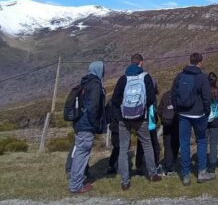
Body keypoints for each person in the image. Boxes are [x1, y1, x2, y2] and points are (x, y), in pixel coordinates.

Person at [110, 54, 162, 190]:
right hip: (141, 118)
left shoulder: (123, 79)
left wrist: (121, 114)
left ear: (130, 62)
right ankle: (153, 174)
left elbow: (115, 100)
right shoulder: (146, 77)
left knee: (123, 149)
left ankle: (125, 181)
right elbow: (151, 98)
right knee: (147, 144)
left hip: (124, 118)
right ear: (141, 63)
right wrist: (142, 108)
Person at [172, 52, 214, 185]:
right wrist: (207, 111)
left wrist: (177, 110)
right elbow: (207, 98)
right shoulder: (202, 77)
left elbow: (173, 94)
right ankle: (202, 172)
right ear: (200, 62)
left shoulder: (180, 76)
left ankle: (185, 175)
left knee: (184, 143)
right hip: (199, 114)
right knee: (201, 141)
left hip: (183, 115)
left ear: (190, 61)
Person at [68, 61, 106, 194]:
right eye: (103, 69)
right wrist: (95, 124)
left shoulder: (85, 82)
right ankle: (76, 185)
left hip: (79, 122)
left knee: (80, 152)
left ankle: (77, 181)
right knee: (82, 153)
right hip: (86, 124)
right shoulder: (95, 84)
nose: (104, 72)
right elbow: (93, 106)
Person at [135, 94, 162, 176]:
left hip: (141, 125)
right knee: (154, 146)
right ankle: (156, 165)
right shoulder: (152, 98)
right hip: (151, 126)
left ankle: (139, 166)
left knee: (140, 147)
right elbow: (154, 113)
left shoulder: (140, 96)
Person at [157, 87, 180, 176]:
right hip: (176, 122)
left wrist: (163, 119)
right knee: (176, 143)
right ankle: (171, 165)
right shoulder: (179, 95)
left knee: (167, 144)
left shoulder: (165, 95)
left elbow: (159, 110)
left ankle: (168, 165)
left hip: (166, 122)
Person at [207, 72, 218, 175]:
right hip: (216, 117)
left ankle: (203, 164)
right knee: (213, 142)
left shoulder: (204, 90)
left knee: (203, 141)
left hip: (205, 117)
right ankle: (212, 165)